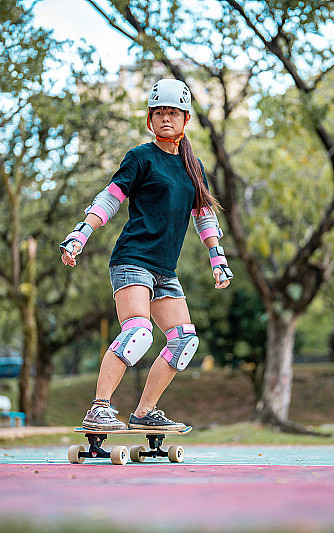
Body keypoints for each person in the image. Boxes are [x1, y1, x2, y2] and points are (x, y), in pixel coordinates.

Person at [59, 78, 233, 431]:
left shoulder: (194, 167)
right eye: (159, 112)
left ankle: (144, 412)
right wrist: (82, 232)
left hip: (164, 270)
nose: (165, 118)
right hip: (132, 260)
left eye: (173, 112)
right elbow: (110, 198)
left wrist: (218, 258)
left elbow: (203, 216)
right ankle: (100, 407)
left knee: (184, 339)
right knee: (138, 332)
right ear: (149, 119)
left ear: (186, 119)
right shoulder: (140, 158)